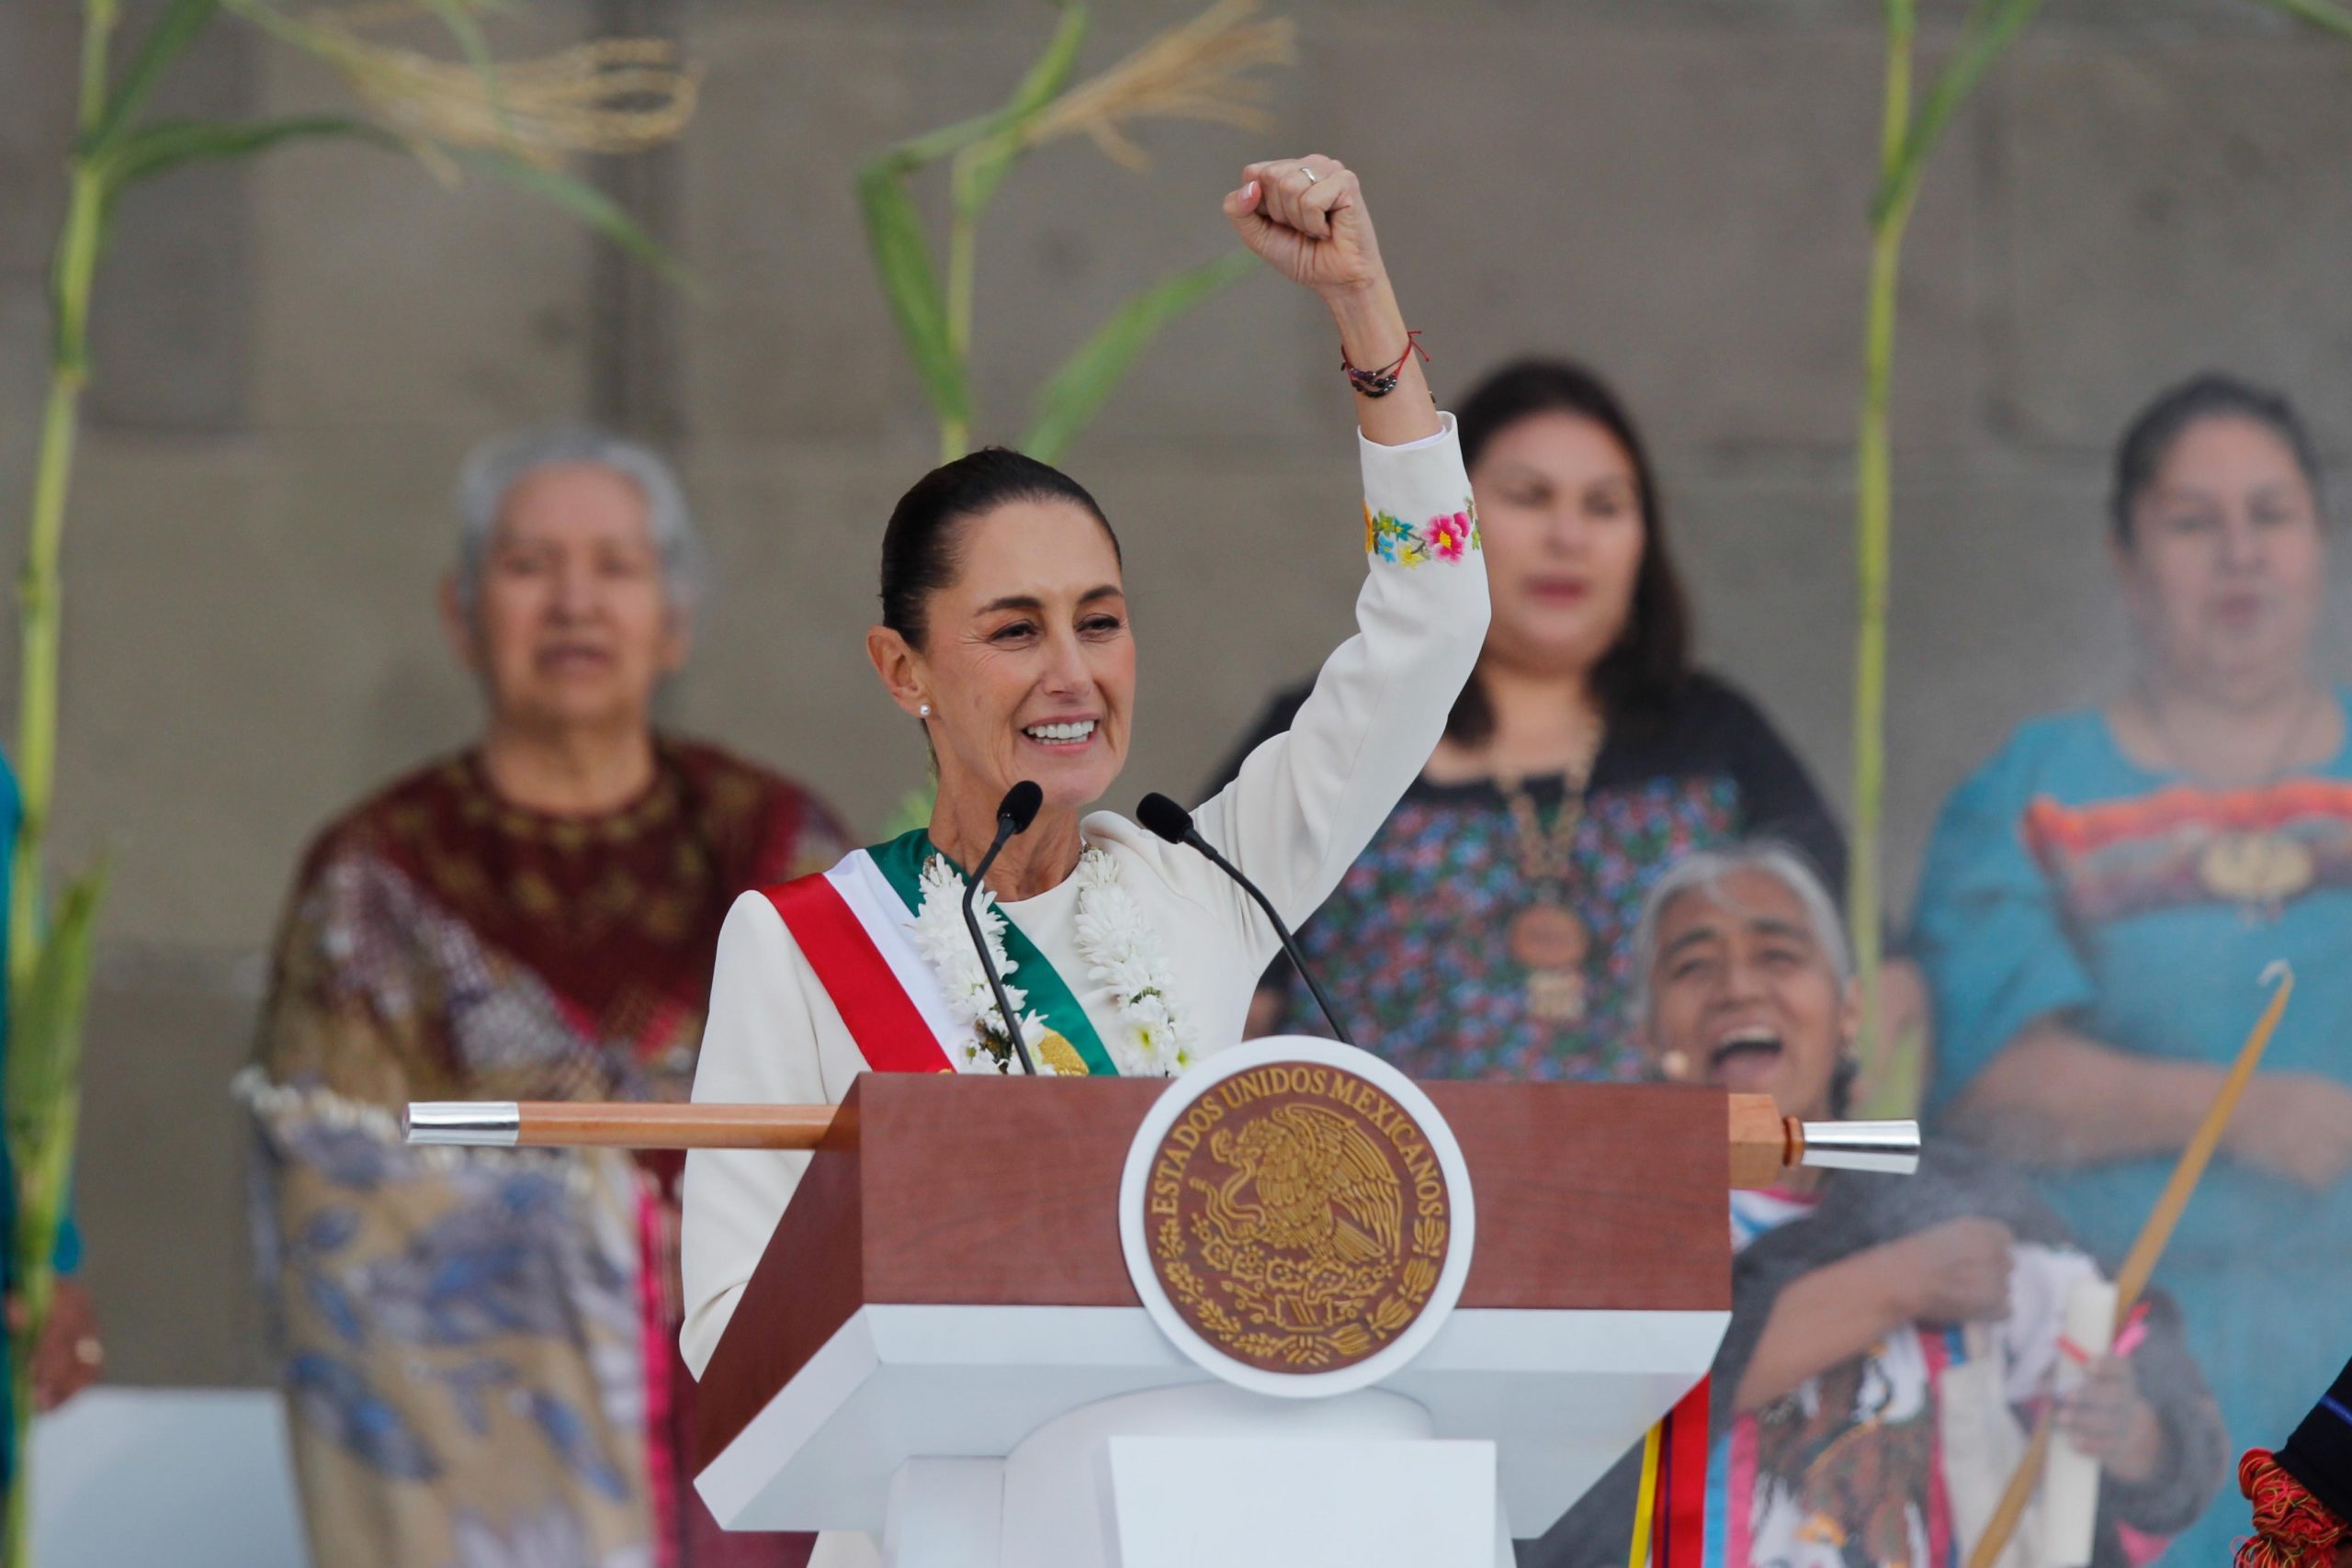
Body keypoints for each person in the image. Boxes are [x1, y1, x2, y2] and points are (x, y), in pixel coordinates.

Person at [679, 155, 1488, 1559]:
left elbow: (1430, 622)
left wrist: (1366, 312)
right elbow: (728, 1342)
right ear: (902, 667)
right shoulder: (799, 944)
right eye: (1014, 628)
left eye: (1101, 621)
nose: (1073, 674)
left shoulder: (1207, 881)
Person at [243, 424, 849, 1568]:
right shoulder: (375, 878)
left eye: (616, 568)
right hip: (503, 1452)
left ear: (673, 620)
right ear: (460, 614)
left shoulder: (776, 844)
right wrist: (610, 1223)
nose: (575, 603)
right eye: (528, 568)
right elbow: (338, 1188)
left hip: (758, 1415)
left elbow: (871, 1130)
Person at [1911, 373, 2352, 1562]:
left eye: (2272, 514)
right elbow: (1990, 1086)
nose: (2240, 554)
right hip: (2131, 1387)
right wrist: (2245, 1108)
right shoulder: (2035, 793)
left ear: (2321, 542)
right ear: (2124, 557)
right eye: (2193, 521)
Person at [1530, 843, 2225, 1568]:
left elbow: (2175, 1447)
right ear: (1649, 1035)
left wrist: (2132, 1431)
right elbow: (1577, 1462)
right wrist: (1895, 1284)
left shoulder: (1959, 1200)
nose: (1737, 986)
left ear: (1848, 1013)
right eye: (1693, 965)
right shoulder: (1599, 1234)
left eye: (1778, 955)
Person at [1205, 356, 1901, 1082]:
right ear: (1452, 516)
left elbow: (1873, 970)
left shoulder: (1716, 735)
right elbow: (1196, 984)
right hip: (1378, 1182)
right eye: (1529, 497)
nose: (1568, 536)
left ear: (1644, 541)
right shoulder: (1336, 728)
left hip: (1682, 1187)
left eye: (1603, 506)